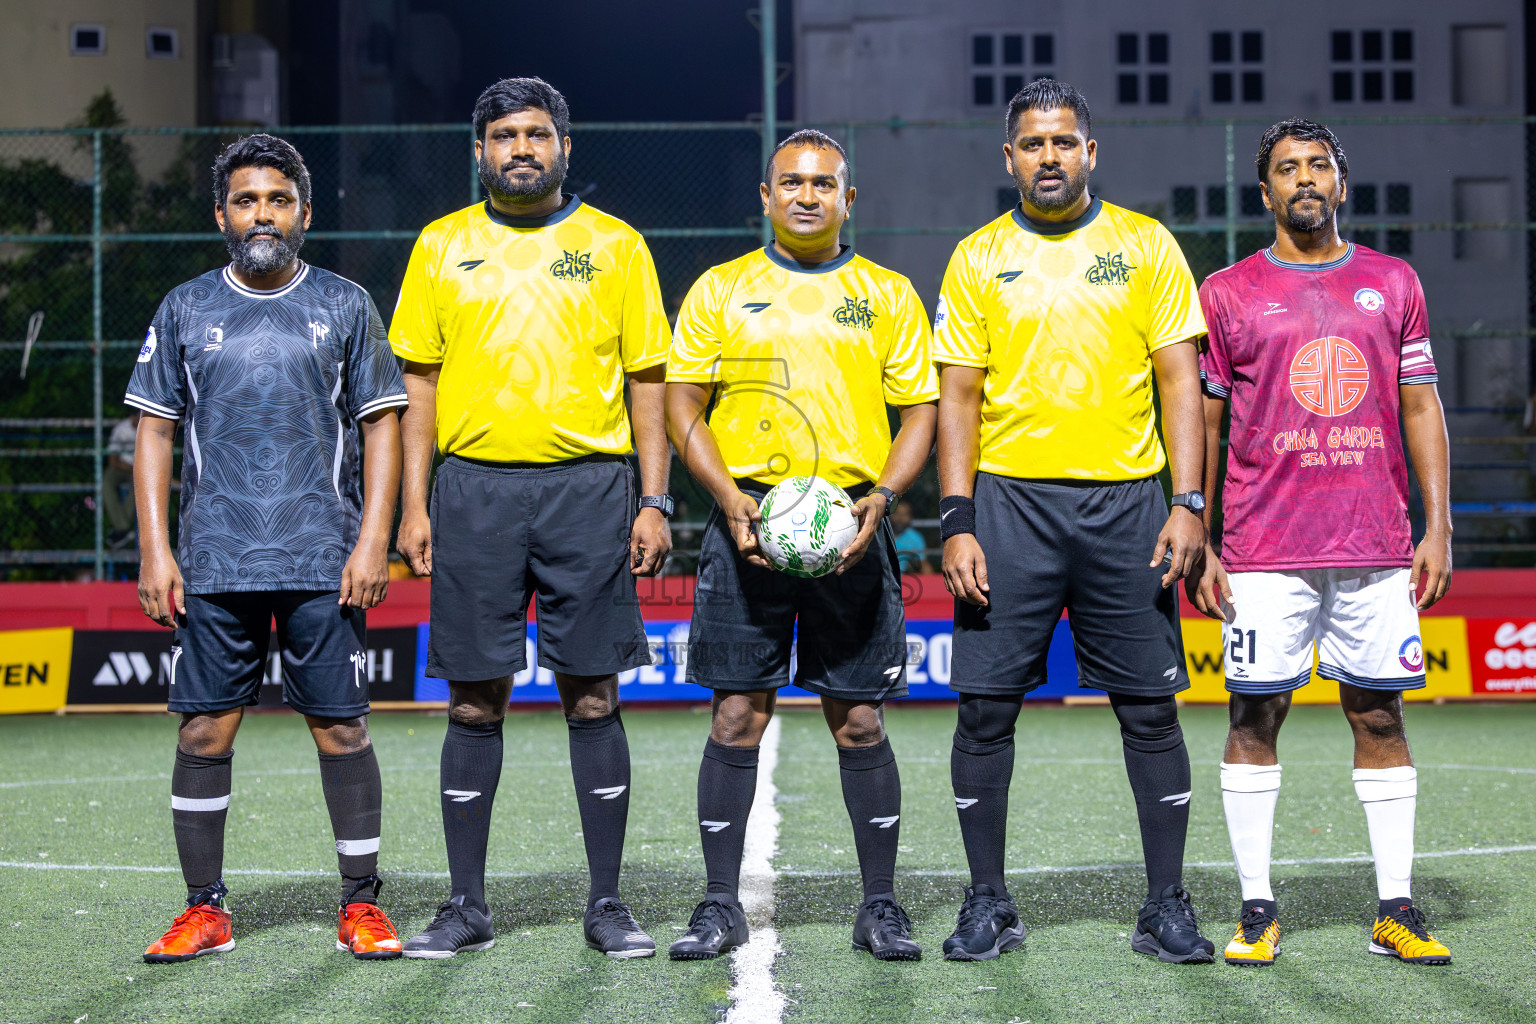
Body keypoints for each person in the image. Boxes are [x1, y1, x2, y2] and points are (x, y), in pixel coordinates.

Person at [389, 77, 673, 959]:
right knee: (474, 701)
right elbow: (418, 386)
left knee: (593, 693)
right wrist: (412, 504)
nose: (522, 147)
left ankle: (607, 904)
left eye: (538, 134)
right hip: (471, 492)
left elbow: (648, 381)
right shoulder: (441, 246)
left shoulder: (616, 245)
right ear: (480, 149)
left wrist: (656, 500)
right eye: (505, 134)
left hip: (589, 489)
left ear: (564, 147)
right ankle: (466, 906)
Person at [934, 79, 1215, 963]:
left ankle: (1166, 905)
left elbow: (1181, 384)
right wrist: (956, 520)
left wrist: (1187, 502)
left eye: (1064, 142)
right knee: (983, 711)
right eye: (1033, 143)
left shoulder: (1146, 244)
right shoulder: (977, 256)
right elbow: (960, 399)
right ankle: (988, 903)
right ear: (1008, 157)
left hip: (1127, 505)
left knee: (1149, 710)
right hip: (1010, 506)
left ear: (1090, 153)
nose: (1048, 156)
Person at [127, 135, 408, 962]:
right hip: (215, 560)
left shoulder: (347, 304)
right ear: (222, 214)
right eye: (246, 201)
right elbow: (154, 431)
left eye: (277, 201)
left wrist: (374, 540)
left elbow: (382, 426)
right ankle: (204, 909)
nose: (262, 215)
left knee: (343, 733)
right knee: (204, 735)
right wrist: (154, 551)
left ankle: (361, 905)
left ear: (304, 215)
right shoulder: (184, 308)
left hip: (325, 557)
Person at [665, 129, 938, 961]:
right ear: (766, 196)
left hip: (852, 532)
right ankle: (718, 905)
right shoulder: (721, 288)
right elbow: (684, 408)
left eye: (824, 184)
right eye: (792, 183)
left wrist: (882, 503)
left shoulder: (887, 293)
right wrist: (730, 498)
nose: (808, 196)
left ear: (848, 200)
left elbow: (920, 412)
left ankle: (880, 907)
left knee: (859, 719)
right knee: (736, 714)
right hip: (745, 529)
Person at [1190, 119, 1453, 967]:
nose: (1303, 179)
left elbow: (1420, 407)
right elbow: (1207, 414)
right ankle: (1257, 908)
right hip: (1264, 547)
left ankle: (1396, 909)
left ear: (1342, 183)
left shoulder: (1393, 281)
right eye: (1285, 170)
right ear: (1263, 192)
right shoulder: (1227, 292)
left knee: (1379, 712)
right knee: (1254, 712)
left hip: (1375, 544)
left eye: (1318, 166)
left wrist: (1439, 523)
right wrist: (1200, 525)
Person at [104, 415, 139, 548]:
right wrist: (128, 466)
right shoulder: (121, 429)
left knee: (140, 483)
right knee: (107, 481)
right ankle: (122, 526)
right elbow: (112, 461)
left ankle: (120, 530)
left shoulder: (151, 427)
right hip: (122, 467)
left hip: (141, 470)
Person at [889, 499, 932, 574]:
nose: (900, 518)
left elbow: (924, 565)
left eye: (905, 515)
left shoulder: (915, 537)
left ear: (911, 517)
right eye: (897, 513)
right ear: (890, 515)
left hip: (901, 581)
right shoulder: (880, 534)